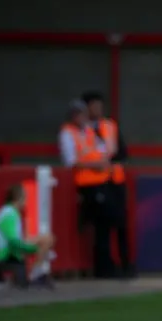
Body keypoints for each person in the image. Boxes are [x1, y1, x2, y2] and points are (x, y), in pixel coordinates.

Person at [58, 99, 114, 278]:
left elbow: (103, 149)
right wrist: (94, 164)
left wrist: (101, 162)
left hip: (100, 181)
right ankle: (98, 268)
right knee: (91, 224)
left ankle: (104, 266)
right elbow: (70, 161)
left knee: (103, 225)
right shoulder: (67, 133)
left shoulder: (90, 130)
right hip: (83, 185)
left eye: (82, 113)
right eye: (77, 113)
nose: (81, 117)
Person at [82, 91, 134, 278]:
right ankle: (104, 268)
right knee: (102, 227)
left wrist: (109, 160)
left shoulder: (110, 126)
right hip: (95, 183)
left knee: (121, 224)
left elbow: (123, 152)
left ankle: (126, 264)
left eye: (99, 105)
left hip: (115, 180)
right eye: (93, 105)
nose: (97, 109)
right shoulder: (82, 129)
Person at [0, 184, 56, 288]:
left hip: (7, 251)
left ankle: (36, 273)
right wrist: (35, 249)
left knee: (46, 239)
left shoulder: (10, 212)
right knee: (46, 240)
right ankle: (35, 275)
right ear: (18, 199)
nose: (26, 201)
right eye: (25, 198)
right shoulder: (9, 214)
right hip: (5, 254)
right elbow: (14, 242)